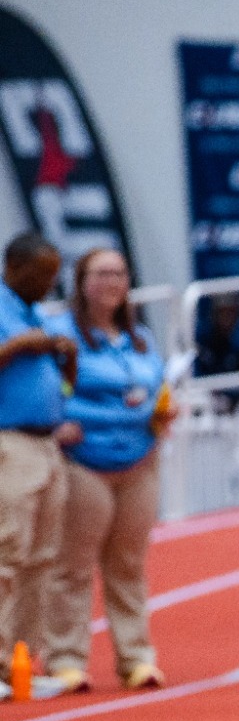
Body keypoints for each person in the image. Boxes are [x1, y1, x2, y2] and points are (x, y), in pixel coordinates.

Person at [42, 248, 171, 695]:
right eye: (101, 273)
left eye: (118, 273)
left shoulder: (138, 339)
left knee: (129, 564)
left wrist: (162, 411)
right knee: (73, 565)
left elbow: (155, 385)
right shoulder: (61, 334)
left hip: (139, 457)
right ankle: (65, 659)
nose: (111, 282)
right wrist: (58, 420)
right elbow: (47, 385)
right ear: (81, 282)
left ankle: (136, 658)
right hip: (85, 461)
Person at [0, 233, 77, 691]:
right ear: (14, 266)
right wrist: (17, 348)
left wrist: (66, 359)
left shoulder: (32, 311)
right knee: (7, 553)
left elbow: (66, 387)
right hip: (10, 442)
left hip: (47, 443)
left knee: (42, 560)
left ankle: (23, 665)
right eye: (41, 274)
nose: (49, 284)